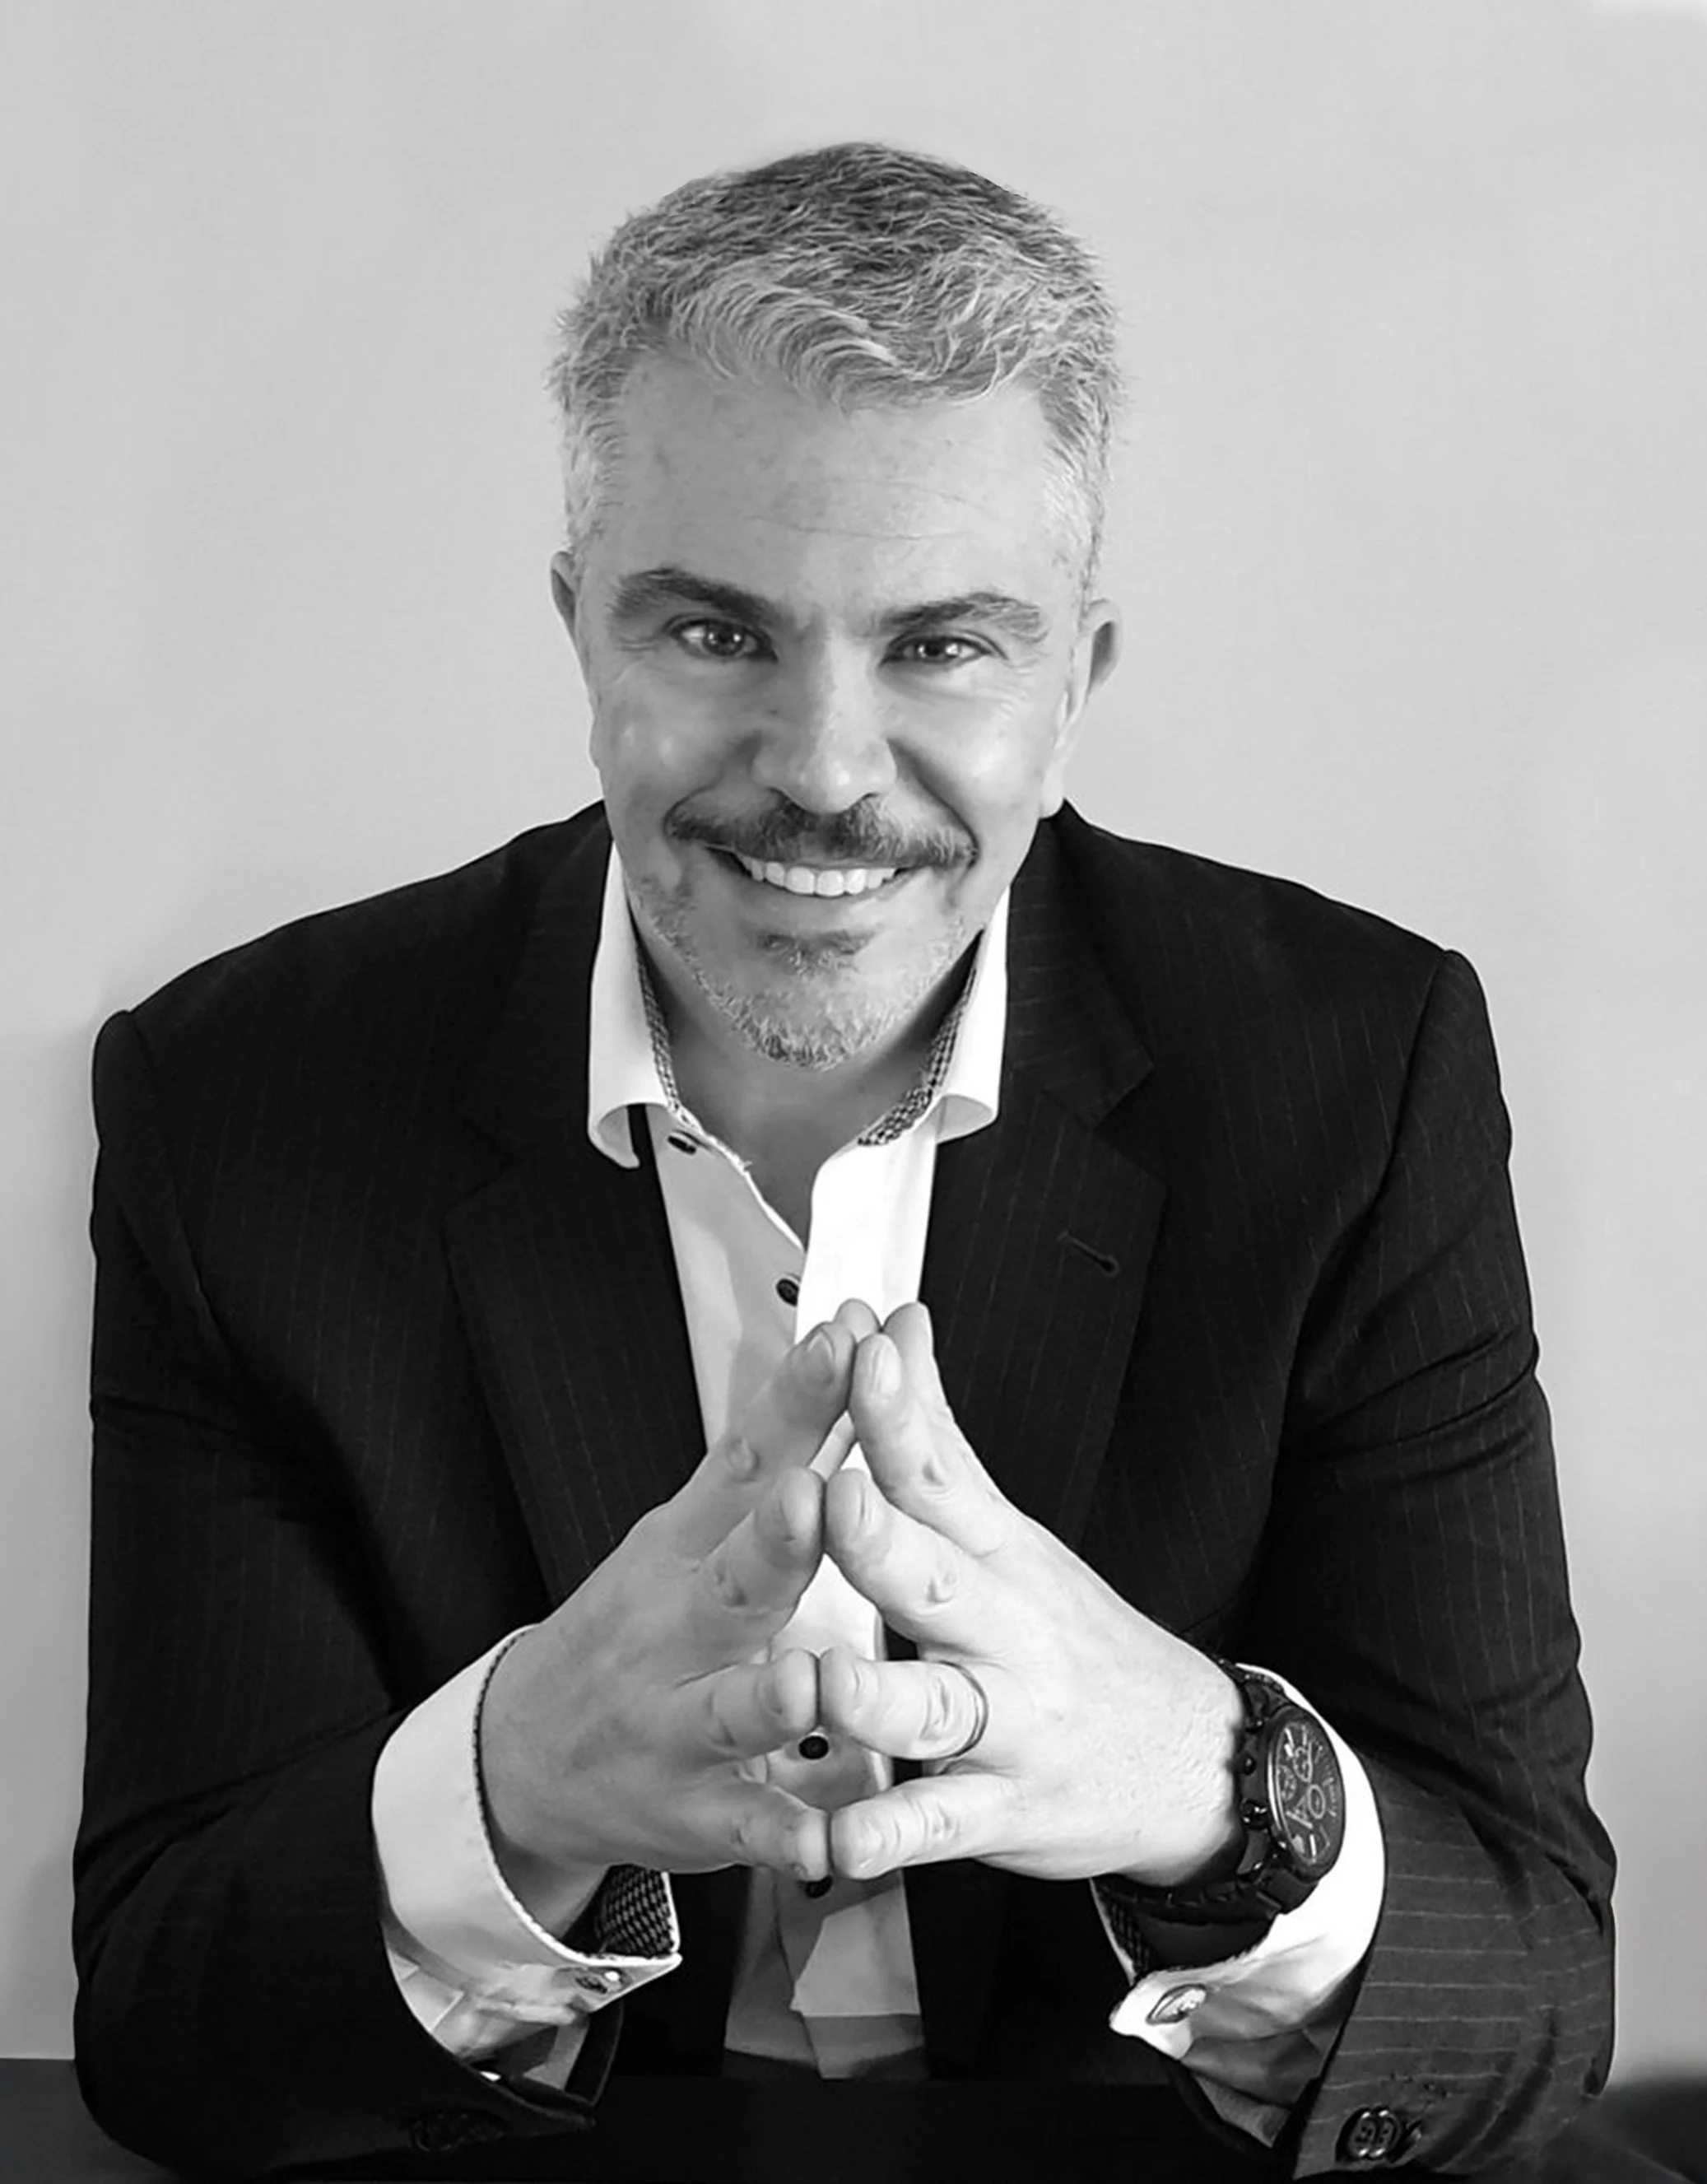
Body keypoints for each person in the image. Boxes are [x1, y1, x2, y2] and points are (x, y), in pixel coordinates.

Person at [74, 142, 1613, 2180]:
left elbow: (1527, 1992)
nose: (818, 767)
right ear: (580, 631)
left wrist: (1200, 1778)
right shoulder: (242, 1102)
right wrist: (514, 1783)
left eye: (942, 646)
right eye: (714, 634)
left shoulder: (1352, 1075)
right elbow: (171, 2031)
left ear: (1073, 681)